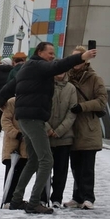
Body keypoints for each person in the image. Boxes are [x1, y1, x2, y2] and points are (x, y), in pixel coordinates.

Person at [8, 41, 97, 214]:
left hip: (26, 119)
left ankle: (16, 200)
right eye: (50, 53)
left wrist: (0, 100)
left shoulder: (29, 66)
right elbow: (58, 66)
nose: (52, 56)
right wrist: (81, 56)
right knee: (47, 160)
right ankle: (34, 203)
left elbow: (10, 87)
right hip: (33, 120)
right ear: (40, 52)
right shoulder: (39, 66)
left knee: (34, 160)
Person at [66, 45, 108, 210]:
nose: (76, 61)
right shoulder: (65, 77)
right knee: (75, 165)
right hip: (70, 127)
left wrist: (82, 106)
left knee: (87, 166)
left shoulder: (94, 78)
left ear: (86, 59)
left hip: (88, 128)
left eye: (79, 57)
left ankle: (88, 197)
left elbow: (102, 100)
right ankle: (77, 197)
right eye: (74, 57)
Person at [45, 71, 78, 208]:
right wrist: (47, 128)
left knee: (61, 170)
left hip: (64, 137)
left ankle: (57, 198)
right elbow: (40, 107)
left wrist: (59, 130)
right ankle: (42, 196)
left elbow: (72, 111)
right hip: (45, 136)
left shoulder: (71, 88)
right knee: (44, 168)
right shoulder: (45, 85)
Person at [0, 95, 27, 208]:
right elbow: (5, 120)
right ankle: (8, 199)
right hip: (12, 145)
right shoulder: (12, 102)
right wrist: (16, 133)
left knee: (22, 173)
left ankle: (16, 199)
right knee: (11, 173)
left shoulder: (32, 101)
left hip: (25, 146)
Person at [0, 57, 16, 133]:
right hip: (11, 95)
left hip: (1, 95)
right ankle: (10, 129)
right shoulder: (12, 72)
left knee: (0, 113)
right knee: (11, 113)